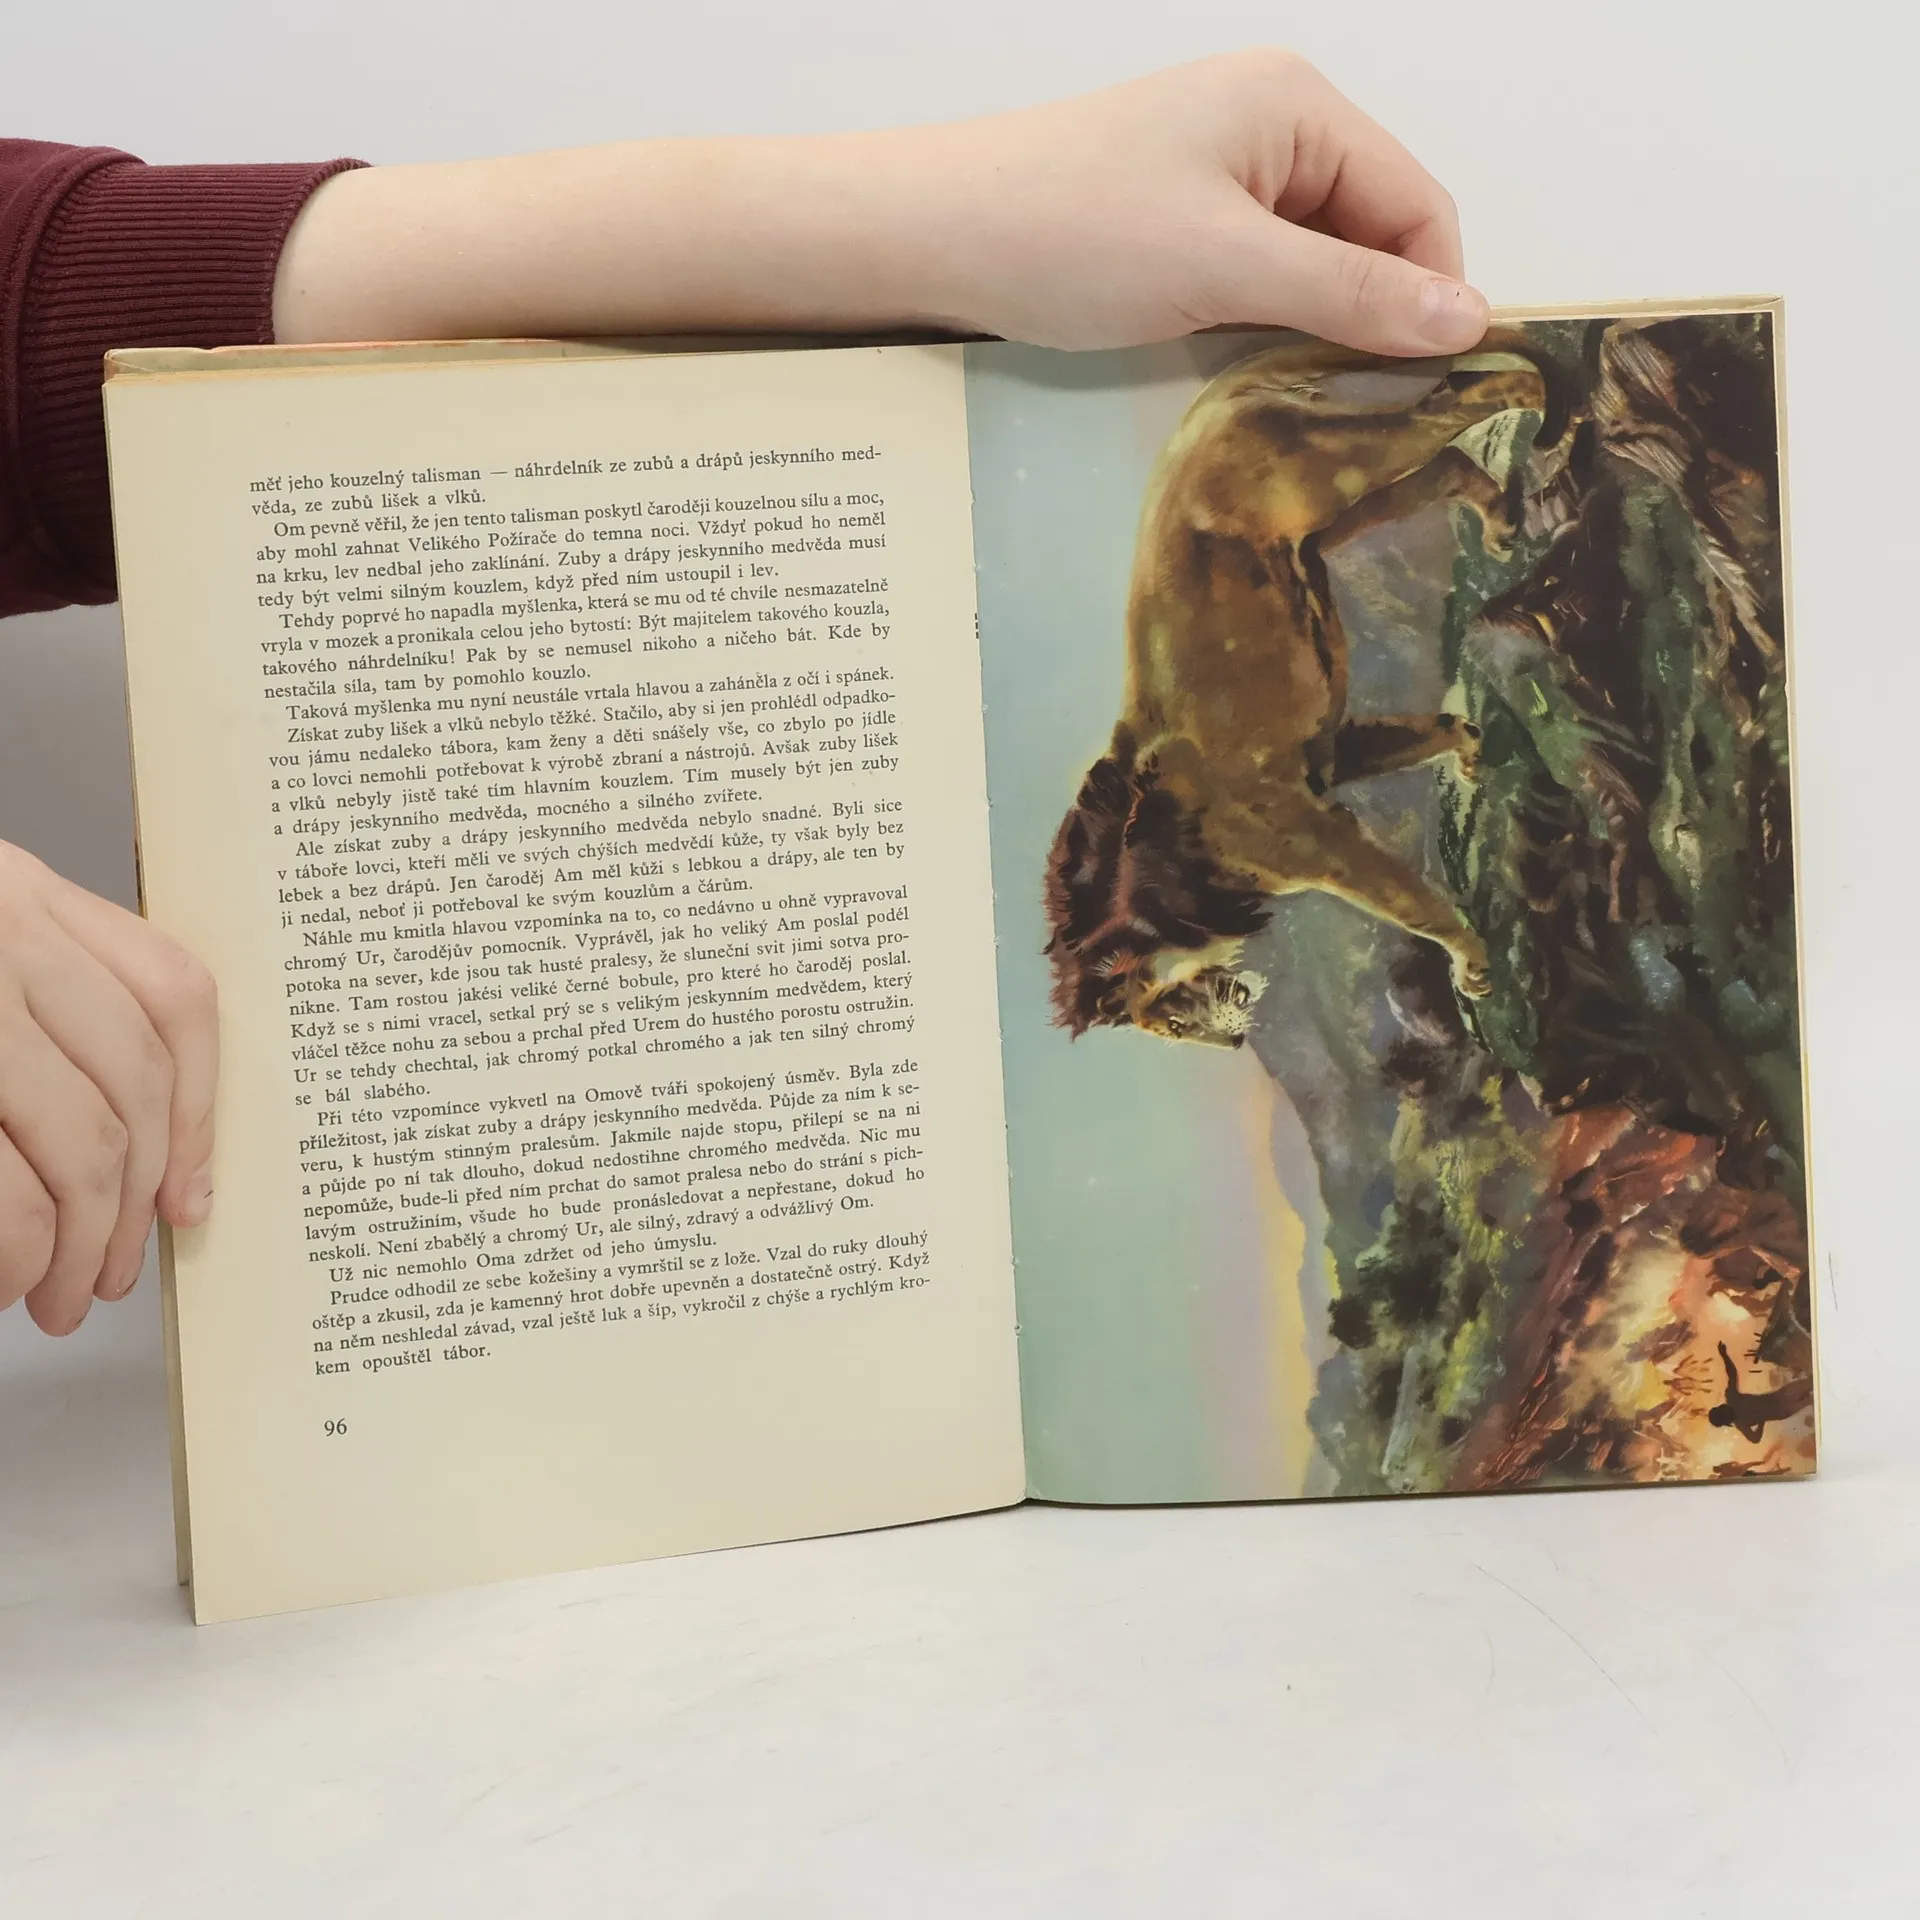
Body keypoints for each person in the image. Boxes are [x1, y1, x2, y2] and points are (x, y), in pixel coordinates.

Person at [0, 49, 1491, 1335]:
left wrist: (926, 220)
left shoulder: (1208, 815)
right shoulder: (1204, 816)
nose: (1201, 1006)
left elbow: (43, 351)